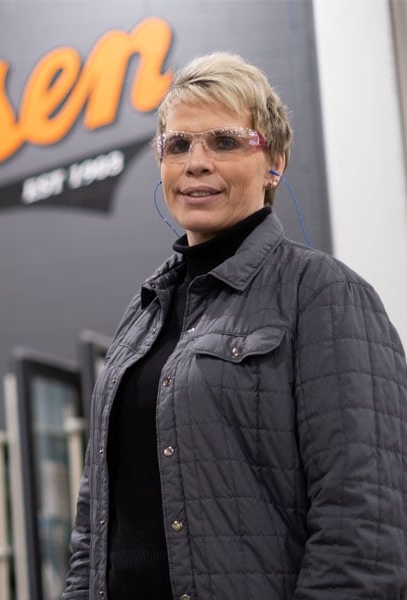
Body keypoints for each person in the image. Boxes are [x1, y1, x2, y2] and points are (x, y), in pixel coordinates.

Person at [62, 52, 407, 599]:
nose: (195, 163)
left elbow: (364, 525)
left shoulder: (323, 294)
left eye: (224, 141)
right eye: (177, 145)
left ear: (275, 162)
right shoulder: (144, 314)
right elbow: (93, 523)